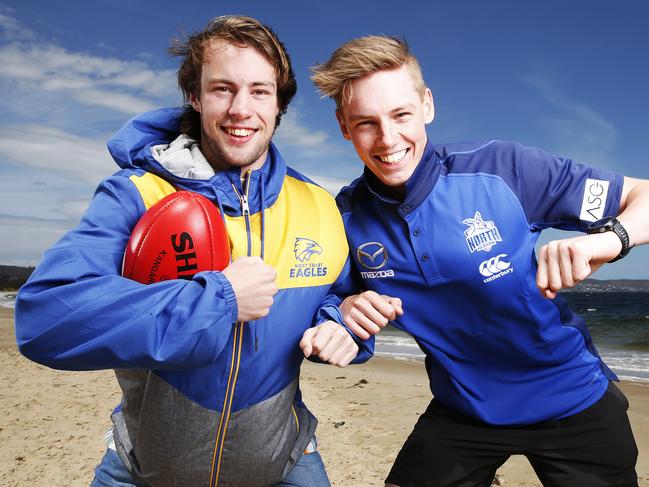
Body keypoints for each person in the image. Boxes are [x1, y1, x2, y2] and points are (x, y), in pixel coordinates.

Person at [15, 16, 370, 487]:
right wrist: (218, 299)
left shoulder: (321, 207)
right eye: (222, 89)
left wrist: (343, 325)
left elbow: (339, 302)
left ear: (280, 103)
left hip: (284, 465)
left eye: (260, 91)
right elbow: (45, 320)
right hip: (143, 472)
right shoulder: (138, 194)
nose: (241, 109)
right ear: (195, 97)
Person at [312, 35, 649, 487]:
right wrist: (342, 317)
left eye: (401, 114)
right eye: (366, 122)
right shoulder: (345, 218)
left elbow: (641, 195)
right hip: (463, 410)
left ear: (427, 105)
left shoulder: (502, 169)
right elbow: (333, 307)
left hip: (572, 401)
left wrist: (607, 240)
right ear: (343, 126)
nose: (388, 138)